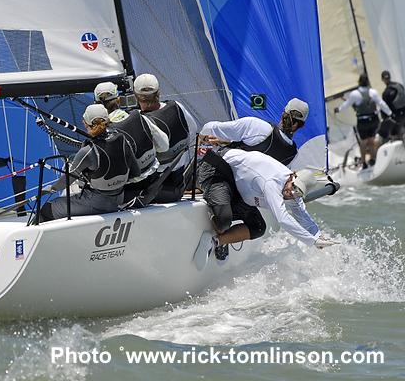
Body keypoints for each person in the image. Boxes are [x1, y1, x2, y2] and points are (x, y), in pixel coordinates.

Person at [196, 146, 335, 262]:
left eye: (298, 192)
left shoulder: (294, 191)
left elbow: (302, 215)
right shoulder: (271, 182)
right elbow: (283, 219)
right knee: (223, 222)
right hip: (217, 168)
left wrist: (318, 236)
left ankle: (218, 241)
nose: (291, 193)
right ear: (293, 175)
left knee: (258, 227)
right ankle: (216, 217)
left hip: (239, 188)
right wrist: (312, 241)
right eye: (293, 187)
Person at [39, 104, 141, 221]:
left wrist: (52, 188)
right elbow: (136, 172)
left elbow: (67, 179)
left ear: (85, 123)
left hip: (97, 203)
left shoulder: (88, 151)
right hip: (119, 199)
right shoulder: (123, 139)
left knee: (47, 209)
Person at [93, 81, 169, 204]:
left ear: (96, 105)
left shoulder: (102, 134)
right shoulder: (139, 116)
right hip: (154, 181)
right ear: (118, 100)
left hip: (128, 190)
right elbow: (164, 146)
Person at [133, 73, 199, 203]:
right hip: (179, 181)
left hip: (156, 187)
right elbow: (193, 130)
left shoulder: (142, 122)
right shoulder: (177, 106)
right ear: (158, 93)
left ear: (136, 96)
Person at [198, 98, 309, 166]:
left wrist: (201, 139)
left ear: (282, 114)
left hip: (222, 181)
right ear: (301, 126)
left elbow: (210, 128)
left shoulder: (257, 126)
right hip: (246, 197)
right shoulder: (293, 154)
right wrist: (226, 143)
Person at [335, 74, 391, 168]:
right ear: (368, 82)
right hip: (374, 120)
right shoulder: (373, 92)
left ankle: (364, 162)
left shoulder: (355, 94)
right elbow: (381, 103)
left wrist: (339, 109)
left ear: (359, 82)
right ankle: (373, 160)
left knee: (364, 142)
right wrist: (390, 113)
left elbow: (347, 104)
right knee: (372, 140)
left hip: (363, 122)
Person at [380, 70, 405, 140]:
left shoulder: (385, 93)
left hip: (397, 117)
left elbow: (385, 108)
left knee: (393, 134)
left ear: (382, 80)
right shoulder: (399, 85)